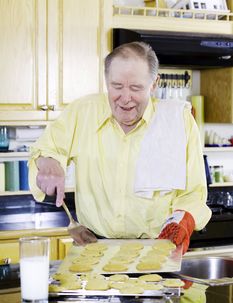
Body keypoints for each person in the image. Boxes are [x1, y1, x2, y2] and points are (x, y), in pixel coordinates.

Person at [28, 41, 211, 253]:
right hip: (92, 248)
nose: (125, 99)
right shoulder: (82, 112)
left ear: (154, 84)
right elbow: (44, 150)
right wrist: (48, 162)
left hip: (157, 250)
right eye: (116, 86)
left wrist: (183, 220)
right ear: (106, 81)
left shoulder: (180, 122)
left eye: (135, 88)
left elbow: (194, 193)